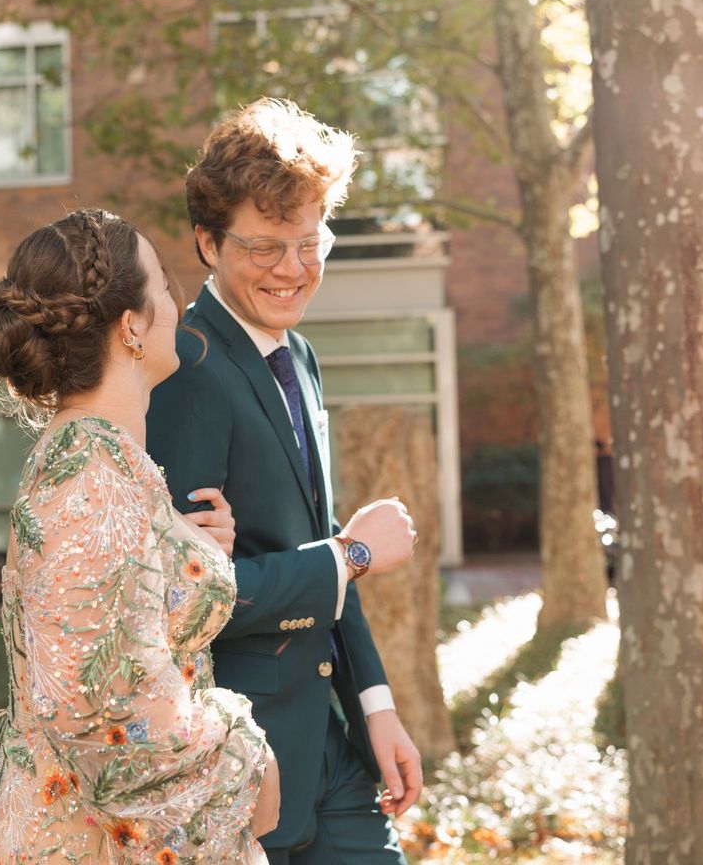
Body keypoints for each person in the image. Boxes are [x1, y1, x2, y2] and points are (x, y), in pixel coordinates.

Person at [0, 208, 279, 864]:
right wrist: (249, 762)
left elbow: (106, 631)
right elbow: (102, 722)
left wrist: (187, 554)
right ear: (131, 326)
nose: (177, 303)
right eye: (163, 285)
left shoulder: (107, 463)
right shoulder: (88, 477)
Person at [147, 98, 423, 864]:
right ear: (207, 241)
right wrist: (353, 556)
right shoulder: (186, 371)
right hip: (238, 757)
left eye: (311, 242)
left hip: (328, 742)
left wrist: (376, 705)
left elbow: (317, 545)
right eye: (267, 247)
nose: (295, 270)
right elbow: (185, 599)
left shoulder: (300, 358)